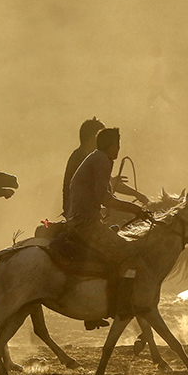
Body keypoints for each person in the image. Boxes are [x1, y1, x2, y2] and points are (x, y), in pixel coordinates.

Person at [64, 127, 152, 323]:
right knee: (129, 254)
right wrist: (136, 210)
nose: (119, 148)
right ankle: (123, 304)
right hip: (86, 222)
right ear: (111, 145)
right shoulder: (102, 160)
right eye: (117, 144)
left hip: (81, 218)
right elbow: (106, 199)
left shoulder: (96, 158)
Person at [62, 117, 147, 215]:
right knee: (127, 215)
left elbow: (107, 183)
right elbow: (104, 194)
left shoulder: (92, 157)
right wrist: (136, 200)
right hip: (79, 211)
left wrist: (136, 194)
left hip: (82, 208)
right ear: (94, 138)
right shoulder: (85, 158)